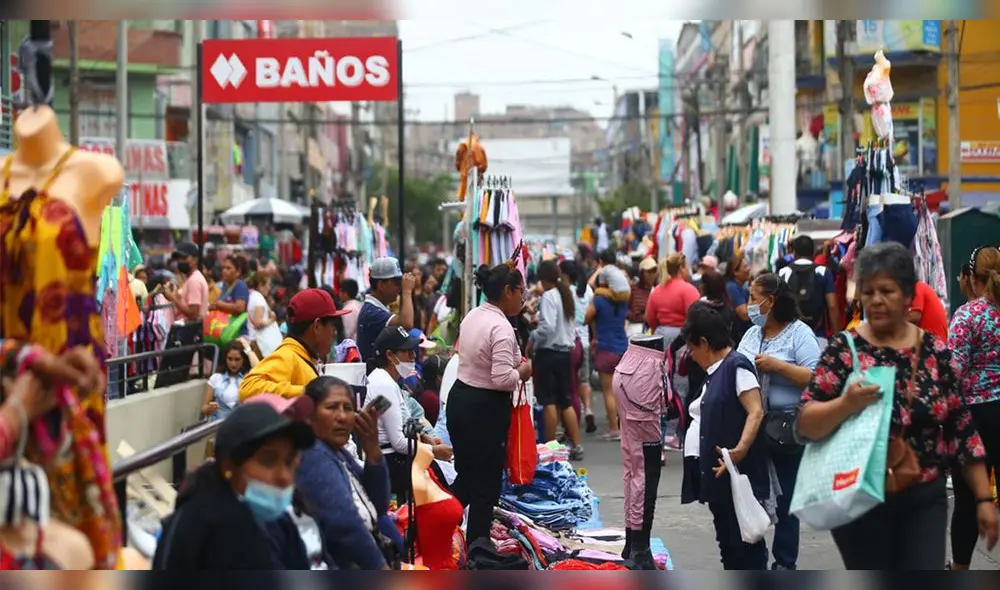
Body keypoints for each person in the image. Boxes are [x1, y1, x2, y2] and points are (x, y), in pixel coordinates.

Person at [797, 242, 998, 570]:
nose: (875, 299)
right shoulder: (844, 350)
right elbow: (804, 423)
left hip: (924, 495)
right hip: (858, 497)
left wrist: (983, 499)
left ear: (908, 296)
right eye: (868, 290)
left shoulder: (934, 352)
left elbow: (962, 426)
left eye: (886, 290)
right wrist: (845, 404)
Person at [152, 402, 316, 570]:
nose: (285, 476)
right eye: (267, 460)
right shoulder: (223, 528)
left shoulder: (276, 520)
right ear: (228, 465)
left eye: (289, 462)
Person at [736, 273, 821, 570]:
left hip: (787, 430)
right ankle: (755, 559)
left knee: (786, 501)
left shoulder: (800, 334)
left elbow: (817, 377)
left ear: (770, 301)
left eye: (752, 298)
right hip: (754, 425)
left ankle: (784, 564)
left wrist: (779, 367)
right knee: (752, 496)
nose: (748, 305)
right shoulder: (751, 335)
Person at [679, 302, 769, 570]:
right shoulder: (714, 372)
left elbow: (756, 411)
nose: (692, 355)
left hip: (735, 475)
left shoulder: (736, 366)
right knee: (729, 546)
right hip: (718, 480)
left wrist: (739, 450)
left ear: (705, 343)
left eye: (693, 348)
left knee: (743, 546)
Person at [448, 263, 532, 545]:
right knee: (484, 487)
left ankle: (432, 526)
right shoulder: (501, 328)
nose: (524, 297)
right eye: (521, 291)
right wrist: (523, 372)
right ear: (507, 291)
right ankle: (478, 552)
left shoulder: (474, 316)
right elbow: (502, 379)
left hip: (461, 400)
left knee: (468, 479)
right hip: (484, 409)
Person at [296, 376, 397, 570]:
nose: (341, 416)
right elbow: (344, 523)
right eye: (332, 407)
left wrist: (373, 450)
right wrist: (380, 567)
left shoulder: (337, 452)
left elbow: (378, 506)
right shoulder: (312, 452)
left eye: (347, 408)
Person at [948, 245, 1000, 570]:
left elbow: (954, 371)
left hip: (977, 417)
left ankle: (961, 570)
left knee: (968, 501)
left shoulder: (968, 316)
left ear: (969, 277)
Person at [366, 326, 451, 502]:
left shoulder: (383, 381)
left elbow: (390, 420)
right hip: (393, 463)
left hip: (395, 458)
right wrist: (434, 451)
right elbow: (397, 442)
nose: (413, 357)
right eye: (407, 352)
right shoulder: (384, 385)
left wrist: (424, 438)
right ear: (390, 355)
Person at [240, 289, 349, 400]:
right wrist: (308, 392)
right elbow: (247, 389)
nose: (334, 332)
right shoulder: (287, 355)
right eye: (332, 325)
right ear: (317, 326)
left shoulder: (302, 355)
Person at [531, 260, 583, 460]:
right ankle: (577, 445)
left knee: (549, 401)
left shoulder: (548, 296)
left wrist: (534, 337)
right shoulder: (566, 294)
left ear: (543, 279)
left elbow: (547, 327)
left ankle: (549, 448)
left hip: (549, 353)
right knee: (566, 401)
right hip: (566, 353)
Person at [586, 268, 629, 441]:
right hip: (623, 348)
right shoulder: (623, 301)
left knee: (608, 391)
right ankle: (625, 427)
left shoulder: (599, 300)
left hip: (606, 349)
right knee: (622, 392)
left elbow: (587, 318)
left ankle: (614, 429)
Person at [778, 235, 839, 347]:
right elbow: (832, 305)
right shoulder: (823, 272)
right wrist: (837, 336)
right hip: (817, 334)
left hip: (791, 336)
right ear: (813, 252)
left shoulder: (784, 272)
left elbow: (779, 305)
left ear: (794, 253)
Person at [560, 259, 597, 434]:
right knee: (584, 380)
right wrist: (593, 337)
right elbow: (592, 316)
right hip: (585, 340)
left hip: (569, 342)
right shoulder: (588, 291)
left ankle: (571, 419)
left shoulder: (565, 292)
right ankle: (587, 409)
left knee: (570, 383)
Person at [357, 257, 415, 361]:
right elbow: (406, 324)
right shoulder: (372, 312)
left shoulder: (377, 307)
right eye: (397, 283)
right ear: (381, 285)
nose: (400, 287)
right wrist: (407, 291)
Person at [647, 253, 700, 344]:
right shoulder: (689, 290)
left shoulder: (657, 290)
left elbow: (650, 318)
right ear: (681, 268)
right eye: (687, 267)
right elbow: (696, 319)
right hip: (682, 339)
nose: (688, 270)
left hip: (660, 337)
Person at [202, 341, 248, 422]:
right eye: (230, 359)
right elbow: (204, 408)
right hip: (219, 426)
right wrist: (209, 409)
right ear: (225, 358)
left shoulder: (248, 379)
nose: (233, 364)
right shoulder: (215, 378)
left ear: (243, 359)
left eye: (237, 359)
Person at [163, 242, 208, 323]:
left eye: (184, 258)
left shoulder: (194, 281)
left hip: (190, 331)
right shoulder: (192, 278)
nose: (180, 261)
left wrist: (173, 298)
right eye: (178, 258)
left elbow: (193, 314)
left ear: (195, 260)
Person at [211, 256, 251, 335]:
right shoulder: (225, 286)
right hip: (226, 331)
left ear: (238, 272)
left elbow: (240, 307)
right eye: (223, 268)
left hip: (237, 333)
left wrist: (221, 305)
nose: (224, 271)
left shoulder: (240, 285)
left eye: (228, 268)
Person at [247, 272, 282, 357]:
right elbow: (258, 323)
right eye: (268, 285)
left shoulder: (252, 296)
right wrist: (272, 319)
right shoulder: (258, 299)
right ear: (260, 285)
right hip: (262, 343)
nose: (269, 288)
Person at [724, 253, 752, 344]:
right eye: (745, 267)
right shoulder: (732, 288)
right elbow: (744, 314)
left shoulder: (740, 287)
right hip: (739, 337)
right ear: (735, 272)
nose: (749, 269)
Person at [628, 257, 658, 331]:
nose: (652, 275)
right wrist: (640, 317)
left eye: (654, 271)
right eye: (649, 272)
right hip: (634, 330)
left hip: (651, 331)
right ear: (642, 273)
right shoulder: (633, 289)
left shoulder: (656, 291)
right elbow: (625, 309)